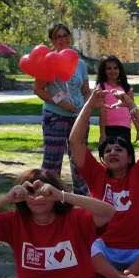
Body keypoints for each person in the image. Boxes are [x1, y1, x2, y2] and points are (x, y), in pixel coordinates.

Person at [69, 85, 139, 278]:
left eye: (119, 149)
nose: (112, 152)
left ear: (129, 158)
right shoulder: (96, 174)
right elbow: (75, 141)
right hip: (105, 251)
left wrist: (130, 105)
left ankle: (121, 274)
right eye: (107, 151)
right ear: (103, 159)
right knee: (79, 242)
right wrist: (89, 105)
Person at [34, 23, 91, 194]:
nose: (62, 39)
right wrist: (62, 103)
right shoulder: (48, 62)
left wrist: (86, 108)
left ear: (70, 38)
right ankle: (48, 195)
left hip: (78, 117)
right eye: (58, 37)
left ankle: (82, 197)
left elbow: (85, 90)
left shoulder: (80, 63)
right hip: (55, 116)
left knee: (79, 159)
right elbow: (38, 89)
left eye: (65, 35)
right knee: (53, 160)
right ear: (52, 40)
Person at [95, 55, 137, 144]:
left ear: (120, 69)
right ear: (104, 71)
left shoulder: (126, 88)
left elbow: (133, 110)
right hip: (109, 127)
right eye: (109, 68)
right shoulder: (101, 87)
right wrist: (102, 134)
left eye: (115, 68)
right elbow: (102, 111)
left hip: (125, 127)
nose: (112, 71)